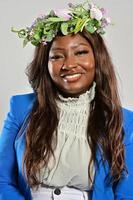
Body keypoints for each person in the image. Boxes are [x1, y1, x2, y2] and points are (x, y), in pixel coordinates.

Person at [0, 1, 133, 200]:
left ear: (98, 58)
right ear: (45, 64)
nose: (69, 64)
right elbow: (2, 180)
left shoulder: (123, 120)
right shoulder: (21, 108)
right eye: (57, 56)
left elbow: (126, 194)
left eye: (80, 52)